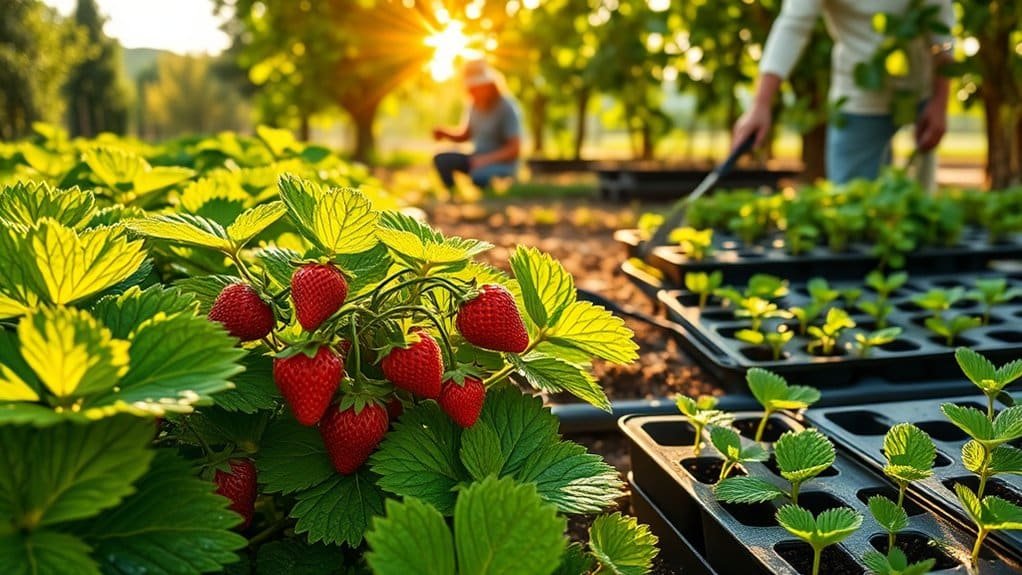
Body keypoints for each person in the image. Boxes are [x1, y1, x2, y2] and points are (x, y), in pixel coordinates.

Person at [732, 0, 955, 184]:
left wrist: (940, 102)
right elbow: (792, 25)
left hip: (921, 94)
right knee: (852, 199)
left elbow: (942, 37)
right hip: (858, 98)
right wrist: (760, 104)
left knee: (919, 204)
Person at [432, 60, 522, 189]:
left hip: (502, 163)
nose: (472, 92)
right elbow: (466, 135)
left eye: (476, 88)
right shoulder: (473, 105)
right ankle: (452, 192)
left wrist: (485, 159)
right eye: (471, 89)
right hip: (477, 158)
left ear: (489, 85)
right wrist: (445, 133)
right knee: (442, 159)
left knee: (479, 176)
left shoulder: (506, 107)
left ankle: (488, 186)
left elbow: (514, 149)